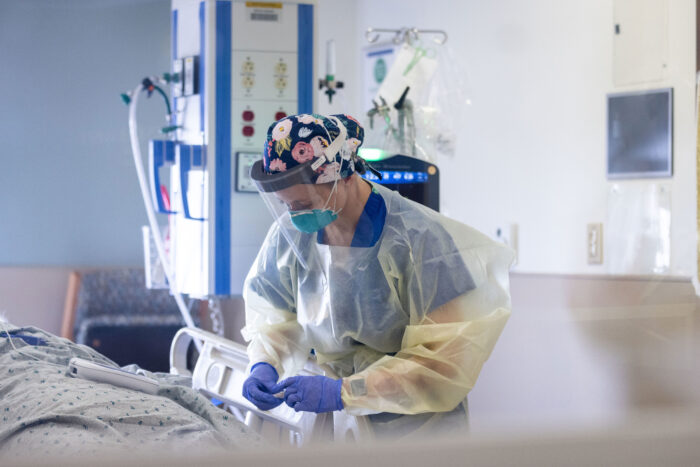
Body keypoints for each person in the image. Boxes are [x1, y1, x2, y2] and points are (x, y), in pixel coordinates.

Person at [241, 113, 513, 438]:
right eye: (288, 206)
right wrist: (264, 363)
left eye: (305, 202)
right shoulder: (291, 237)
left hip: (418, 432)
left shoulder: (421, 241)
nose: (296, 215)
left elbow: (443, 362)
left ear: (343, 176)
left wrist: (345, 391)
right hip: (340, 427)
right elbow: (275, 318)